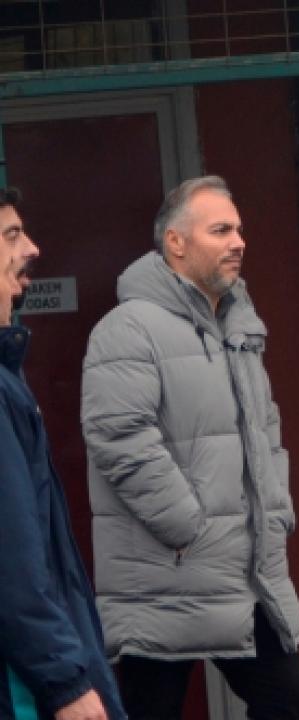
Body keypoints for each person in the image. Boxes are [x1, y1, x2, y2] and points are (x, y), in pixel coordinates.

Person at [81, 176, 299, 718]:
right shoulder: (128, 329)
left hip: (246, 575)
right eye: (221, 230)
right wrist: (189, 526)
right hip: (165, 577)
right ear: (176, 242)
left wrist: (276, 510)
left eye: (239, 230)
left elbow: (266, 429)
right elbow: (120, 436)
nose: (239, 242)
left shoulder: (239, 326)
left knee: (290, 704)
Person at [1, 188, 124, 720]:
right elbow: (11, 554)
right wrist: (65, 682)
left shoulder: (8, 374)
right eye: (11, 235)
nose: (31, 248)